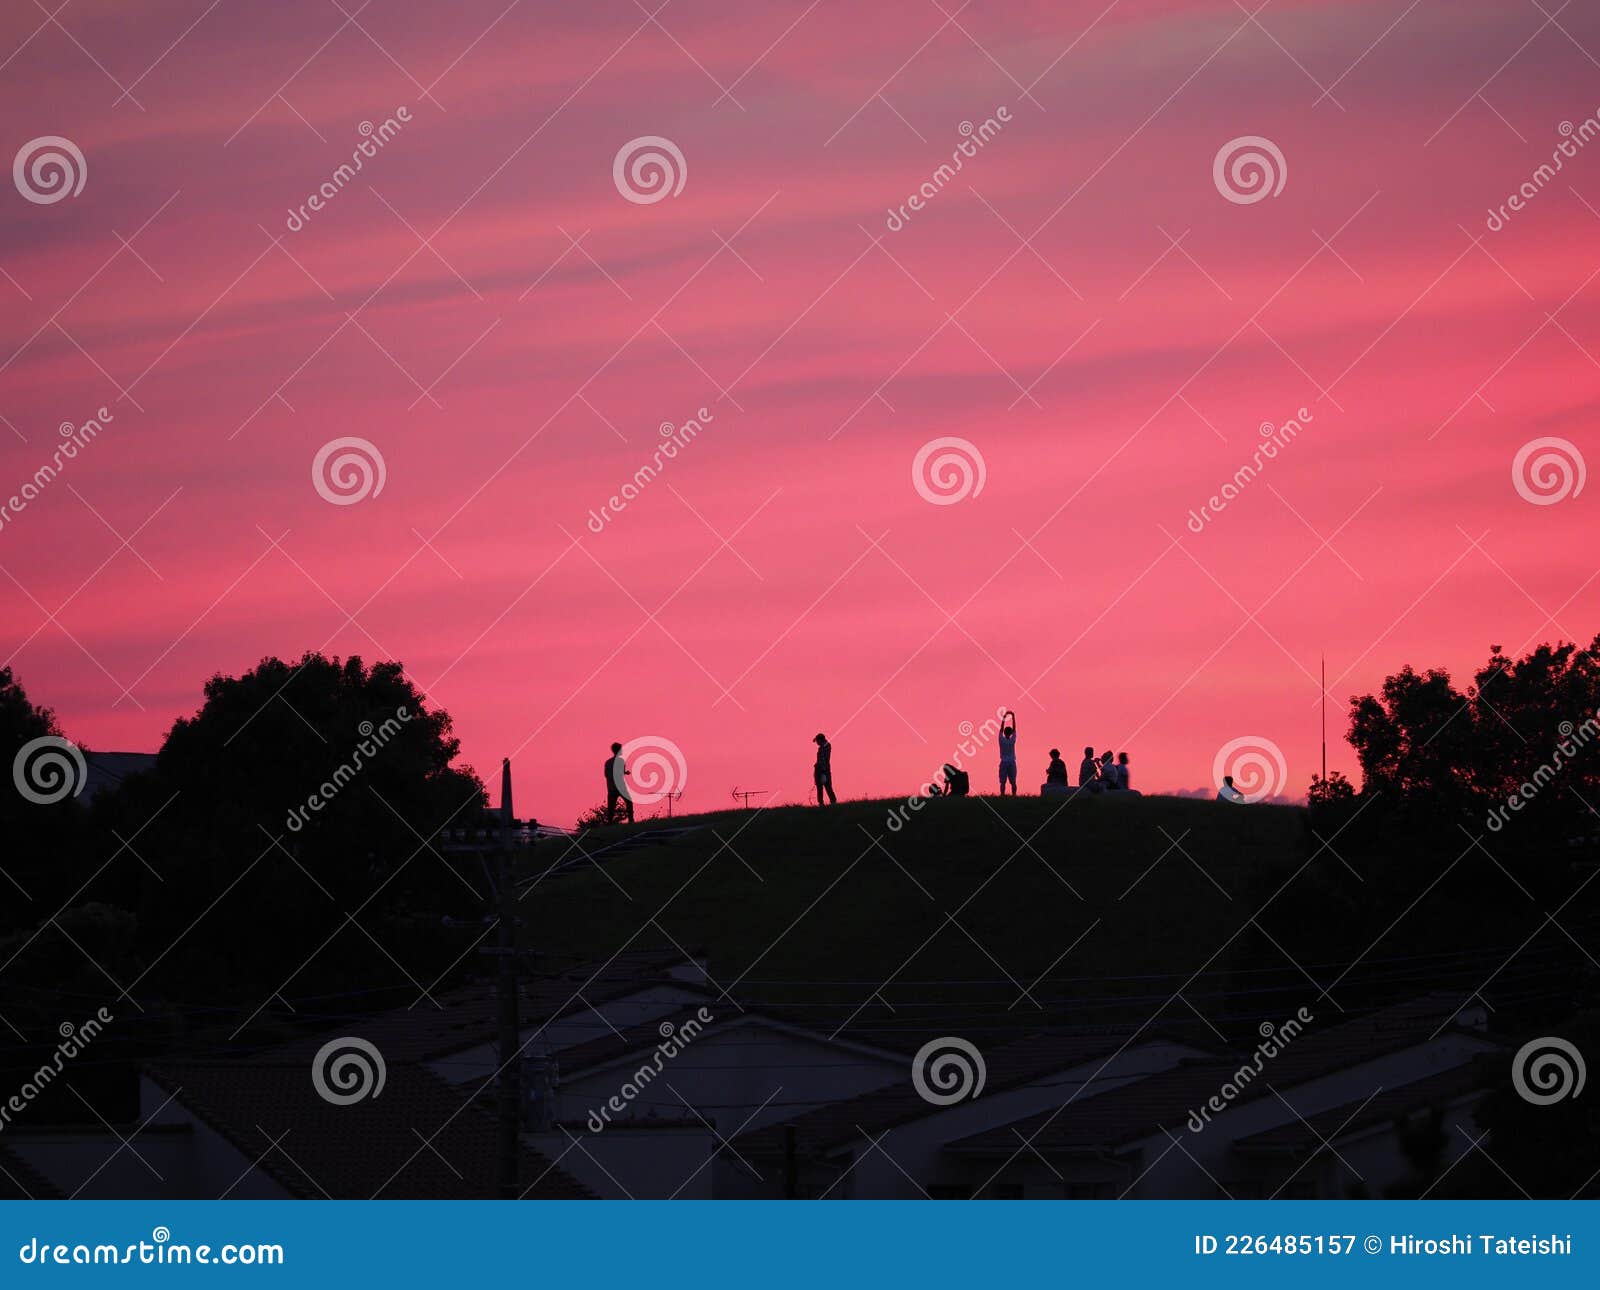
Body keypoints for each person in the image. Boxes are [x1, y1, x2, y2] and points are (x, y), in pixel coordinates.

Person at [605, 741, 633, 823]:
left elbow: (607, 774)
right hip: (620, 787)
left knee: (611, 806)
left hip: (611, 787)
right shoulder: (621, 761)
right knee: (629, 802)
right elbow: (619, 773)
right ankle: (631, 820)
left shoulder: (608, 762)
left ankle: (609, 822)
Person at [997, 710, 1017, 796]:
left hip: (1004, 762)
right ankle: (1014, 795)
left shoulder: (1001, 740)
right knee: (1013, 782)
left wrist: (1004, 718)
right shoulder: (1012, 740)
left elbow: (1001, 729)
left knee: (1003, 782)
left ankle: (1002, 795)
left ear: (1005, 733)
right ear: (1011, 733)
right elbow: (1015, 728)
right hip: (1012, 762)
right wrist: (1013, 717)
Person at [813, 733, 836, 805]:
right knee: (825, 787)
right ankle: (830, 802)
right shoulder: (825, 746)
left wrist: (822, 770)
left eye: (817, 741)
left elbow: (823, 759)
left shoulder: (825, 747)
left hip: (822, 770)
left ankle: (827, 802)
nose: (816, 742)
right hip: (823, 769)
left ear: (820, 740)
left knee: (825, 786)